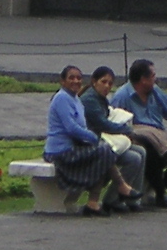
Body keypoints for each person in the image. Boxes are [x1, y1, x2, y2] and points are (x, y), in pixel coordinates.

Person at [44, 66, 136, 217]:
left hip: (74, 146)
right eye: (71, 78)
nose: (76, 81)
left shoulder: (75, 99)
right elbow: (71, 128)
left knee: (103, 151)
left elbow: (81, 126)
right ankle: (119, 187)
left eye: (79, 78)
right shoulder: (61, 98)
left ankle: (96, 202)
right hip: (59, 151)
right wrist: (92, 137)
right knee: (104, 151)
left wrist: (90, 139)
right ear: (62, 81)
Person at [122, 58, 167, 207]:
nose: (156, 79)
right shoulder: (123, 96)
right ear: (143, 79)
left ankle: (160, 187)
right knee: (151, 153)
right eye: (153, 76)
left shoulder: (155, 91)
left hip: (159, 137)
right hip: (138, 138)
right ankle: (160, 195)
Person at [81, 65, 147, 211]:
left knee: (141, 152)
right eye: (103, 82)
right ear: (94, 81)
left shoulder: (100, 98)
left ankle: (131, 200)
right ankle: (112, 199)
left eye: (110, 83)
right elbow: (103, 124)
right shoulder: (90, 100)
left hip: (104, 140)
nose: (107, 86)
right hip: (94, 144)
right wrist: (127, 130)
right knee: (133, 158)